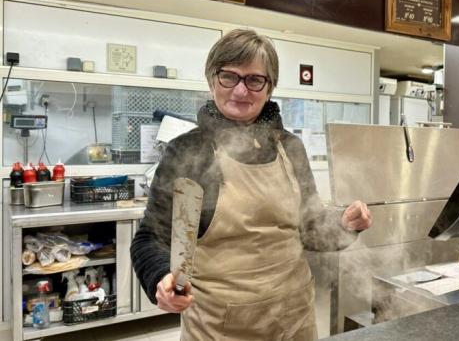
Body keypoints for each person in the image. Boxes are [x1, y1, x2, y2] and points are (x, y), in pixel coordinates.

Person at [131, 29, 372, 341]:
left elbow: (310, 228)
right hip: (220, 327)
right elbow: (152, 237)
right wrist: (160, 277)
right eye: (229, 77)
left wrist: (344, 224)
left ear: (269, 88)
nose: (241, 91)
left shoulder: (290, 147)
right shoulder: (188, 152)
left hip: (294, 318)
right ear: (211, 80)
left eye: (254, 80)